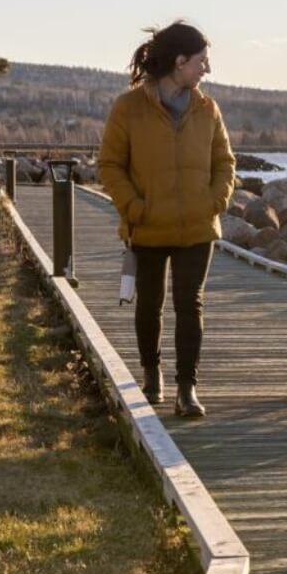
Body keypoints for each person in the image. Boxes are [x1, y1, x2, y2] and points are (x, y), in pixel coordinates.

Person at [98, 21, 235, 417]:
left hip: (197, 226)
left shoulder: (207, 109)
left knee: (190, 304)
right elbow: (110, 164)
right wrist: (134, 208)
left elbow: (225, 162)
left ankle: (187, 389)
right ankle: (151, 373)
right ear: (179, 62)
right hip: (147, 225)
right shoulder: (128, 107)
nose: (206, 69)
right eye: (201, 61)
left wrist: (216, 200)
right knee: (150, 304)